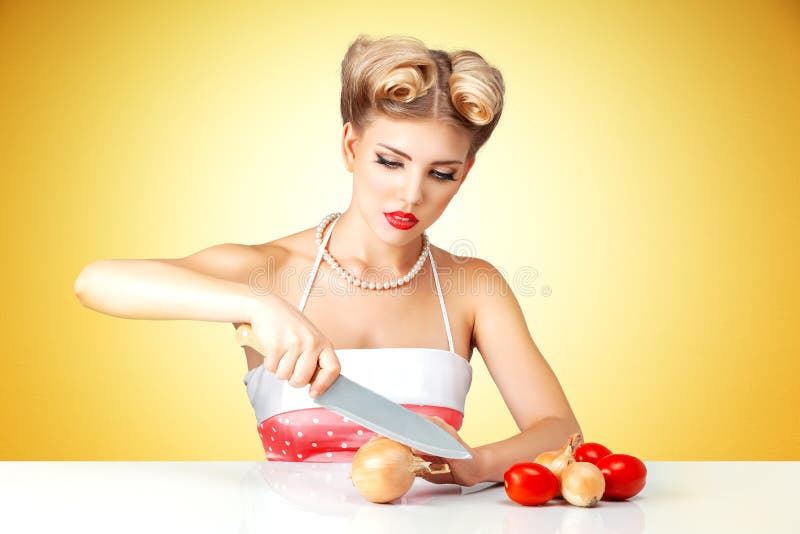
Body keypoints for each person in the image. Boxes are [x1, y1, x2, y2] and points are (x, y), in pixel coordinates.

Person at [73, 34, 582, 487]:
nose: (410, 195)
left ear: (465, 174)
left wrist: (479, 462)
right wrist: (260, 306)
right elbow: (96, 282)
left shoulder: (472, 287)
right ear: (351, 146)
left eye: (440, 174)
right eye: (389, 161)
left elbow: (561, 431)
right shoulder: (268, 270)